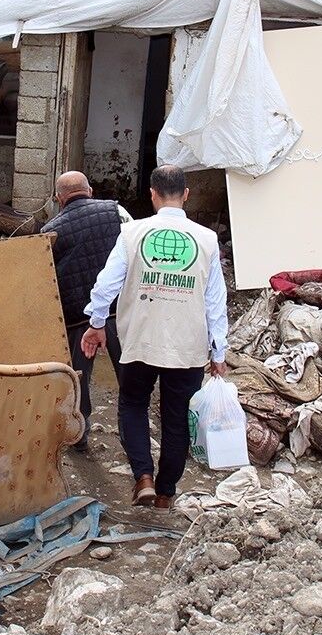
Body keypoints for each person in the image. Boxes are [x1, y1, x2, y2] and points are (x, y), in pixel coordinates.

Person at [82, 165, 228, 510]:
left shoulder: (132, 232)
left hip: (139, 339)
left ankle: (143, 478)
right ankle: (165, 492)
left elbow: (107, 283)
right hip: (188, 345)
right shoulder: (206, 240)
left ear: (152, 193)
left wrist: (96, 322)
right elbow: (215, 301)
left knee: (133, 404)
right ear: (186, 194)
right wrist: (218, 350)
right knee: (176, 417)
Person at [41, 171, 125, 453]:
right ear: (89, 190)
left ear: (58, 199)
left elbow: (46, 277)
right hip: (118, 312)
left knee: (79, 376)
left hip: (78, 318)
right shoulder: (115, 211)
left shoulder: (50, 231)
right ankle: (130, 434)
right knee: (128, 375)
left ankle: (80, 434)